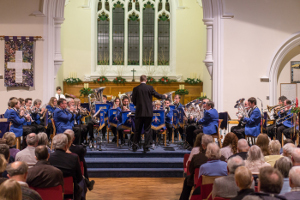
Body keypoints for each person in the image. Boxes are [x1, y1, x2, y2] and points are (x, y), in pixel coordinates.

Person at [179, 135, 225, 200]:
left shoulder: (197, 158)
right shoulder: (223, 159)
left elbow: (191, 170)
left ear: (202, 145)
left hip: (201, 185)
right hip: (220, 186)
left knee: (188, 180)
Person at [131, 75, 166, 152]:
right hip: (148, 113)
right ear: (146, 80)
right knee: (147, 130)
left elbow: (133, 101)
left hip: (139, 113)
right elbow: (157, 95)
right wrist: (164, 96)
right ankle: (146, 147)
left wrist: (139, 104)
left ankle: (135, 146)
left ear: (140, 80)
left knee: (137, 130)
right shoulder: (150, 88)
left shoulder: (136, 89)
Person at [48, 134, 83, 200]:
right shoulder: (74, 158)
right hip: (70, 192)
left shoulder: (49, 158)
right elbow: (79, 178)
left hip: (53, 191)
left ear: (54, 145)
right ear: (66, 145)